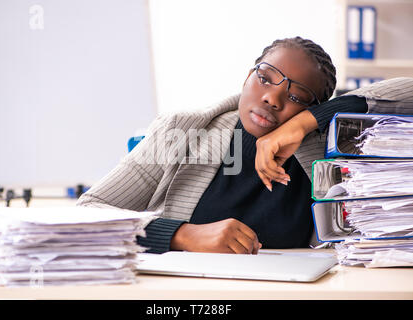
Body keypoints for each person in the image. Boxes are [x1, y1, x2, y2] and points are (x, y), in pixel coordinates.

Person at [76, 37, 368, 254]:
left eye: (297, 97)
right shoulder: (180, 130)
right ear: (246, 79)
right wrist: (181, 235)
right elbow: (86, 212)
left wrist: (303, 125)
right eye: (265, 79)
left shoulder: (325, 146)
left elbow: (407, 91)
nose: (272, 99)